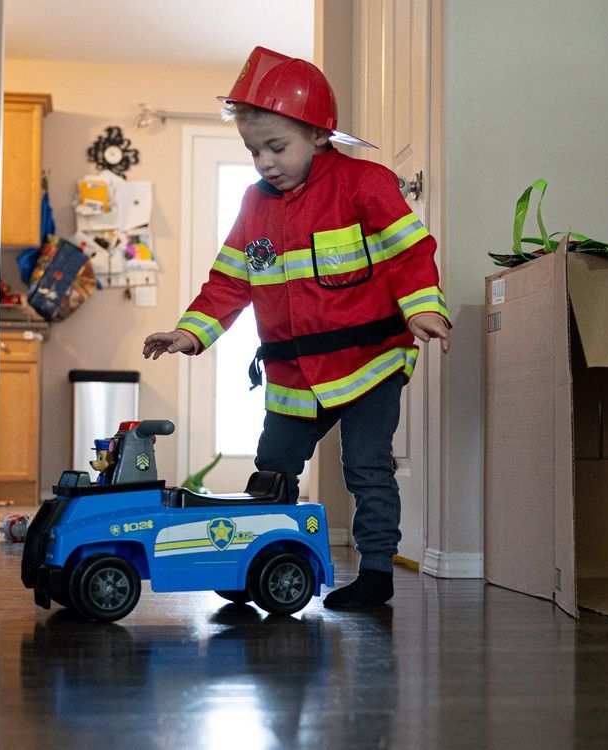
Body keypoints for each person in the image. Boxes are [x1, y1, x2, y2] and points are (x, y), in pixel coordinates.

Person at [142, 46, 450, 609]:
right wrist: (189, 333)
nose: (263, 162)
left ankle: (376, 574)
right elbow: (228, 283)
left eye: (276, 147)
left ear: (319, 134)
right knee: (273, 466)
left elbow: (411, 252)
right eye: (254, 150)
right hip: (291, 372)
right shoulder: (253, 206)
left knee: (367, 467)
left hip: (370, 362)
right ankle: (255, 563)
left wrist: (422, 307)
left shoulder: (365, 184)